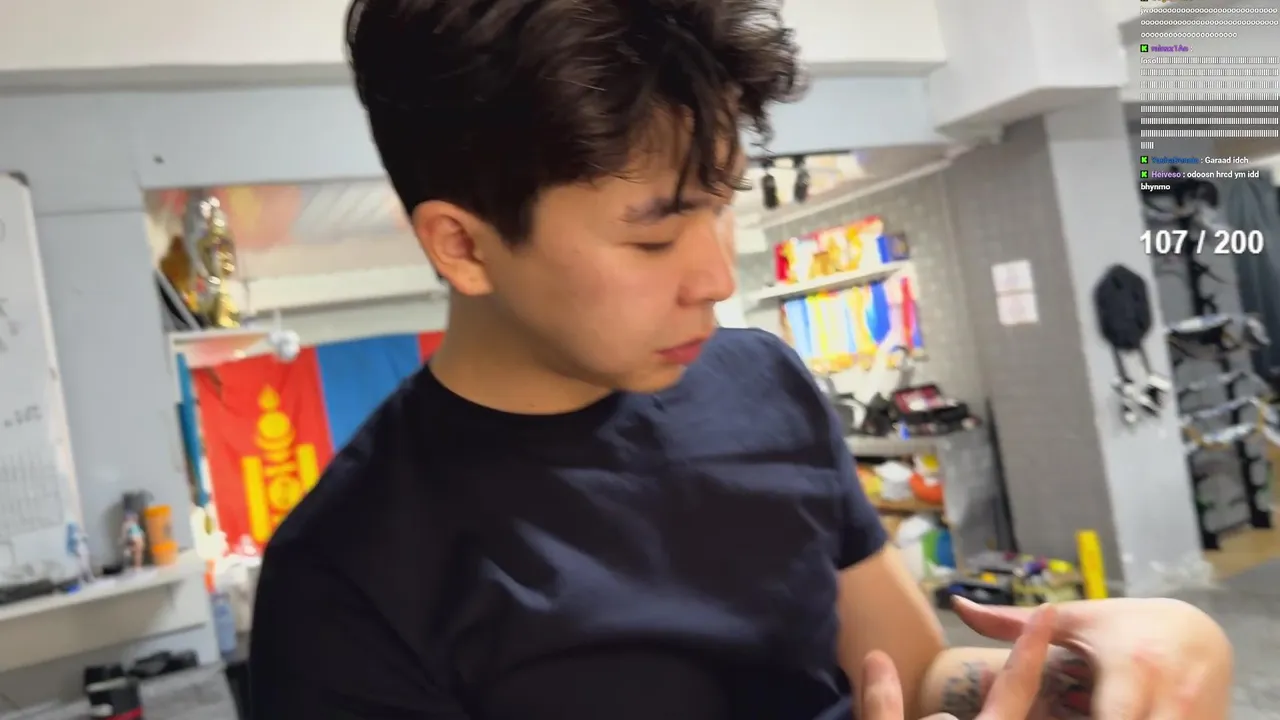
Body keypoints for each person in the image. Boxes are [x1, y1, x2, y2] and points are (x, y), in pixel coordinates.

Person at [249, 0, 1234, 718]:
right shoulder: (342, 584)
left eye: (723, 203)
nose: (717, 277)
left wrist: (1076, 679)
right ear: (462, 245)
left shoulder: (763, 383)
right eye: (651, 237)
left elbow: (908, 676)